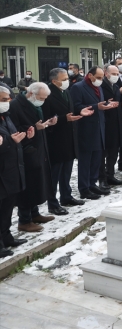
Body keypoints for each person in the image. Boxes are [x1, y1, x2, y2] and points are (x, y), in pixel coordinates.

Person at [42, 68, 92, 209]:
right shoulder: (47, 95)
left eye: (67, 78)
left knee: (67, 171)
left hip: (69, 138)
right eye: (63, 79)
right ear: (54, 81)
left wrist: (79, 111)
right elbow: (46, 118)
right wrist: (64, 119)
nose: (67, 81)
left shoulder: (66, 92)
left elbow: (70, 111)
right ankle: (52, 203)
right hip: (55, 140)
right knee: (54, 174)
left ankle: (66, 196)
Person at [10, 82, 57, 232]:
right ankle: (24, 220)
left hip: (38, 148)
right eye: (41, 98)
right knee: (28, 186)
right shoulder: (16, 106)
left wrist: (47, 123)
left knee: (37, 182)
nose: (42, 101)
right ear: (31, 94)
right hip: (25, 150)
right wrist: (35, 128)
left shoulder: (34, 104)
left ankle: (34, 213)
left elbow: (37, 123)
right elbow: (14, 129)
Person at [70, 67, 116, 199]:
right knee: (86, 160)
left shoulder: (98, 87)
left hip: (99, 128)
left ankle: (92, 183)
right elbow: (76, 106)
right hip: (85, 129)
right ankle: (84, 188)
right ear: (90, 75)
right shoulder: (78, 87)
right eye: (99, 77)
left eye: (102, 78)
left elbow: (98, 103)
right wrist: (97, 107)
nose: (101, 80)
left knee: (96, 159)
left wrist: (107, 104)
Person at [0, 86, 27, 257]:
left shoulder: (6, 117)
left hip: (11, 169)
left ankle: (6, 236)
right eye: (3, 99)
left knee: (8, 207)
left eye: (9, 98)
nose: (8, 102)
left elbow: (10, 138)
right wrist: (10, 142)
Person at [99, 65, 122, 189]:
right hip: (105, 123)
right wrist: (106, 104)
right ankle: (102, 178)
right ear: (106, 73)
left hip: (117, 123)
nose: (116, 76)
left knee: (114, 152)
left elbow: (117, 102)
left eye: (117, 74)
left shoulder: (115, 87)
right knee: (103, 153)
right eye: (113, 73)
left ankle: (110, 175)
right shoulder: (101, 86)